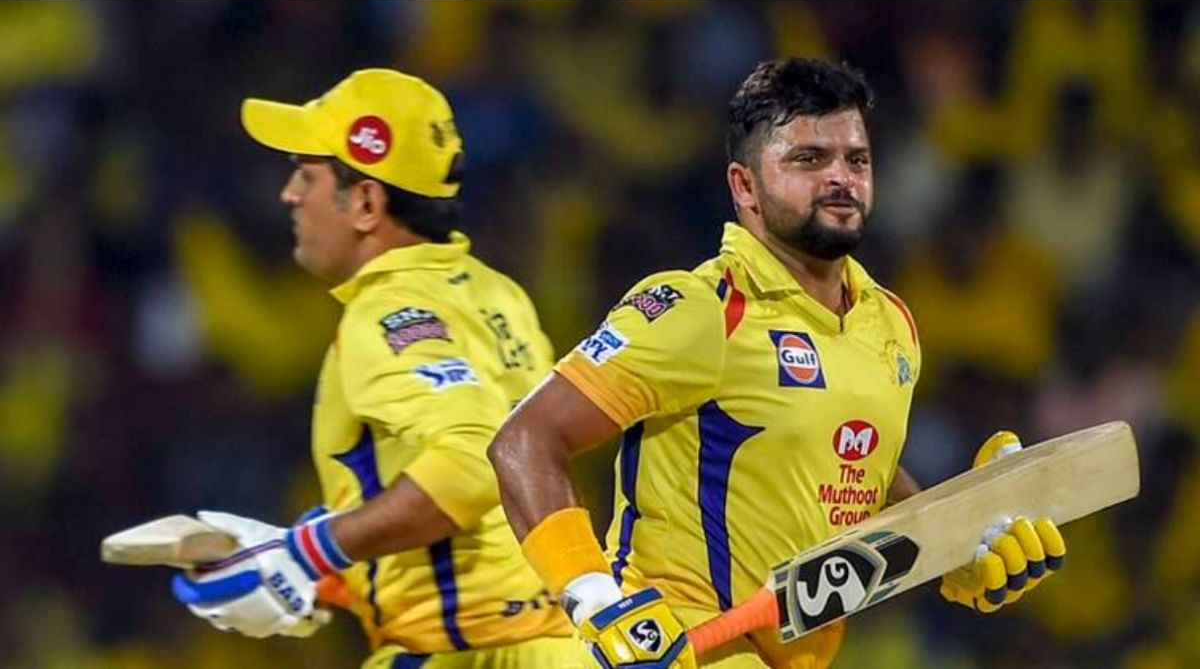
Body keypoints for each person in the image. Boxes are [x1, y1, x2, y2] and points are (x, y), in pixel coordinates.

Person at [487, 57, 1067, 668]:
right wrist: (596, 599)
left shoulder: (890, 322)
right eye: (809, 159)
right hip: (676, 648)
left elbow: (859, 480)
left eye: (856, 159)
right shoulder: (701, 308)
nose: (840, 177)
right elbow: (525, 440)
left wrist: (957, 546)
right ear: (745, 187)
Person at [168, 68, 583, 668]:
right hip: (558, 643)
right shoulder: (495, 293)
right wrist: (327, 568)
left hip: (465, 653)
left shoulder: (388, 312)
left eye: (306, 175)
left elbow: (473, 463)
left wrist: (307, 553)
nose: (289, 195)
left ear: (365, 202)